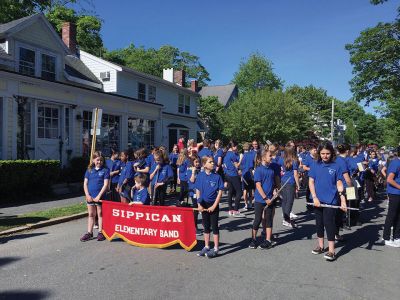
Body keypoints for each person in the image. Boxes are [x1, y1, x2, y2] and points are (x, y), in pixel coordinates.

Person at [309, 142, 347, 261]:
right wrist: (314, 197)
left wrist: (343, 200)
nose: (325, 156)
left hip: (331, 200)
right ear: (319, 154)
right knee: (319, 223)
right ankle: (320, 246)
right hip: (317, 201)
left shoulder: (336, 166)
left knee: (329, 223)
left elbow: (339, 184)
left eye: (327, 153)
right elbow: (311, 182)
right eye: (322, 153)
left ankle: (331, 251)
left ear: (332, 153)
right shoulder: (315, 165)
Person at [249, 150, 281, 249]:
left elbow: (273, 184)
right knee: (258, 219)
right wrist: (265, 198)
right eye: (270, 156)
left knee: (268, 219)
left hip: (271, 199)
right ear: (263, 158)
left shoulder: (271, 170)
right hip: (260, 200)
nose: (272, 157)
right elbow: (258, 186)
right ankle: (253, 239)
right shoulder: (259, 170)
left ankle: (268, 240)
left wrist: (275, 191)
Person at [196, 156, 224, 258]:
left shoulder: (217, 177)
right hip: (203, 205)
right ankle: (207, 246)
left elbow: (220, 193)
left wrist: (214, 206)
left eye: (213, 162)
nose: (213, 163)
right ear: (204, 165)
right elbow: (198, 190)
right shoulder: (200, 176)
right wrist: (199, 204)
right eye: (210, 162)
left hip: (213, 205)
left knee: (214, 226)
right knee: (205, 226)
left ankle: (216, 248)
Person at [81, 151, 110, 242]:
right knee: (91, 214)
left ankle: (101, 232)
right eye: (97, 160)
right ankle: (89, 232)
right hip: (90, 196)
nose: (99, 162)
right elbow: (85, 184)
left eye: (101, 160)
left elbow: (105, 185)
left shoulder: (105, 170)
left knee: (100, 214)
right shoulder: (89, 170)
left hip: (100, 196)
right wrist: (87, 195)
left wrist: (99, 196)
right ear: (93, 160)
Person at [382, 152, 400, 247]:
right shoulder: (396, 163)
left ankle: (397, 236)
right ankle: (386, 237)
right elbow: (389, 179)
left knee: (398, 215)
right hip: (394, 193)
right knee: (392, 215)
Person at [223, 140, 244, 217]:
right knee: (239, 192)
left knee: (231, 191)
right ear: (233, 146)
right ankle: (236, 210)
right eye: (236, 146)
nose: (237, 148)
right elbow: (237, 165)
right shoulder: (232, 154)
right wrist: (241, 158)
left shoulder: (226, 154)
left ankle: (230, 209)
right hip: (233, 175)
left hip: (227, 174)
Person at [281, 147, 300, 228]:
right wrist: (298, 184)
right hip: (290, 181)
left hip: (283, 181)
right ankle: (286, 219)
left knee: (284, 201)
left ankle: (285, 217)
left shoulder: (283, 160)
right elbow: (295, 174)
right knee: (290, 201)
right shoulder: (294, 161)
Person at [187, 155, 201, 234]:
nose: (198, 163)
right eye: (196, 162)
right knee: (195, 211)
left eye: (198, 162)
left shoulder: (199, 170)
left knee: (202, 209)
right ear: (192, 163)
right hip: (193, 193)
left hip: (201, 193)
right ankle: (194, 227)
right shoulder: (190, 171)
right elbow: (192, 180)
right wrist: (193, 171)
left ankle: (205, 225)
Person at [239, 142, 256, 210]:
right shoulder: (253, 154)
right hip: (251, 172)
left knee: (245, 189)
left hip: (244, 173)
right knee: (251, 189)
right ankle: (250, 203)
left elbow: (239, 165)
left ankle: (246, 204)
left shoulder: (242, 155)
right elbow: (255, 163)